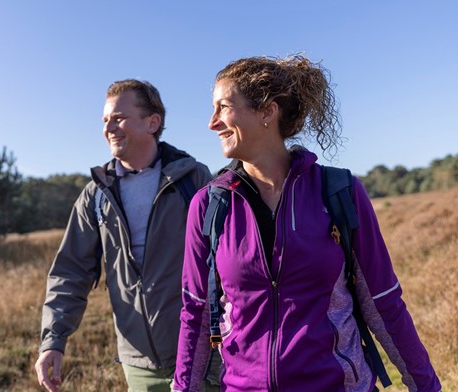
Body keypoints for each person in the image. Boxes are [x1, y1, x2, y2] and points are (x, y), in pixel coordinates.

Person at [173, 55, 442, 391]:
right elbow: (195, 314)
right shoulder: (210, 205)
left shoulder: (338, 191)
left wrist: (425, 384)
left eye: (223, 107)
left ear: (267, 112)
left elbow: (383, 301)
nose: (212, 123)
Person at [35, 79, 217, 391]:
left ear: (152, 122)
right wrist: (53, 340)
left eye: (119, 118)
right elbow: (71, 271)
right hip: (138, 363)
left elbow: (225, 261)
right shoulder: (96, 194)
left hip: (201, 353)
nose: (109, 128)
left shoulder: (193, 179)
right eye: (105, 120)